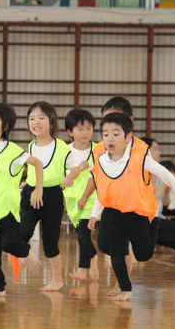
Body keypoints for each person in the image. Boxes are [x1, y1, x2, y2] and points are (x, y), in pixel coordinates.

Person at [87, 113, 175, 301]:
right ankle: (126, 289)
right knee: (116, 253)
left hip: (137, 214)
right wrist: (94, 215)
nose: (110, 138)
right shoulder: (101, 160)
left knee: (143, 255)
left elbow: (162, 172)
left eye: (116, 134)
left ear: (128, 137)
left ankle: (155, 222)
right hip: (113, 212)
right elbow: (103, 191)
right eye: (106, 134)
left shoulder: (140, 158)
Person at [0, 100, 43, 298]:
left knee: (9, 243)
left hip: (7, 210)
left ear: (5, 126)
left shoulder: (12, 151)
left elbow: (37, 164)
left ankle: (26, 252)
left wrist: (36, 187)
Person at [20, 101, 70, 291]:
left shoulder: (63, 147)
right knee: (22, 233)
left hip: (53, 196)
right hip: (32, 193)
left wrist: (71, 179)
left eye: (41, 117)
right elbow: (31, 170)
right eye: (31, 118)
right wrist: (27, 183)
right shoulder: (30, 146)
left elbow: (73, 168)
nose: (36, 122)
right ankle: (26, 254)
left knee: (51, 241)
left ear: (51, 121)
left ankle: (57, 279)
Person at [140, 137, 175, 254]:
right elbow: (152, 200)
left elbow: (165, 203)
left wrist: (167, 190)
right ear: (145, 151)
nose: (159, 153)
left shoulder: (158, 172)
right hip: (147, 219)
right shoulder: (142, 173)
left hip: (160, 217)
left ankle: (154, 238)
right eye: (155, 149)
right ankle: (146, 238)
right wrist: (166, 183)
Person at [61, 109, 99, 281]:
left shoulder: (98, 149)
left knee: (84, 233)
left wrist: (85, 197)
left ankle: (83, 269)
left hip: (92, 197)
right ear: (70, 132)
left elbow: (96, 176)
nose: (85, 133)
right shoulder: (63, 150)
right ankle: (93, 257)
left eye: (89, 128)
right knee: (81, 234)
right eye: (80, 129)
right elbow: (61, 176)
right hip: (72, 199)